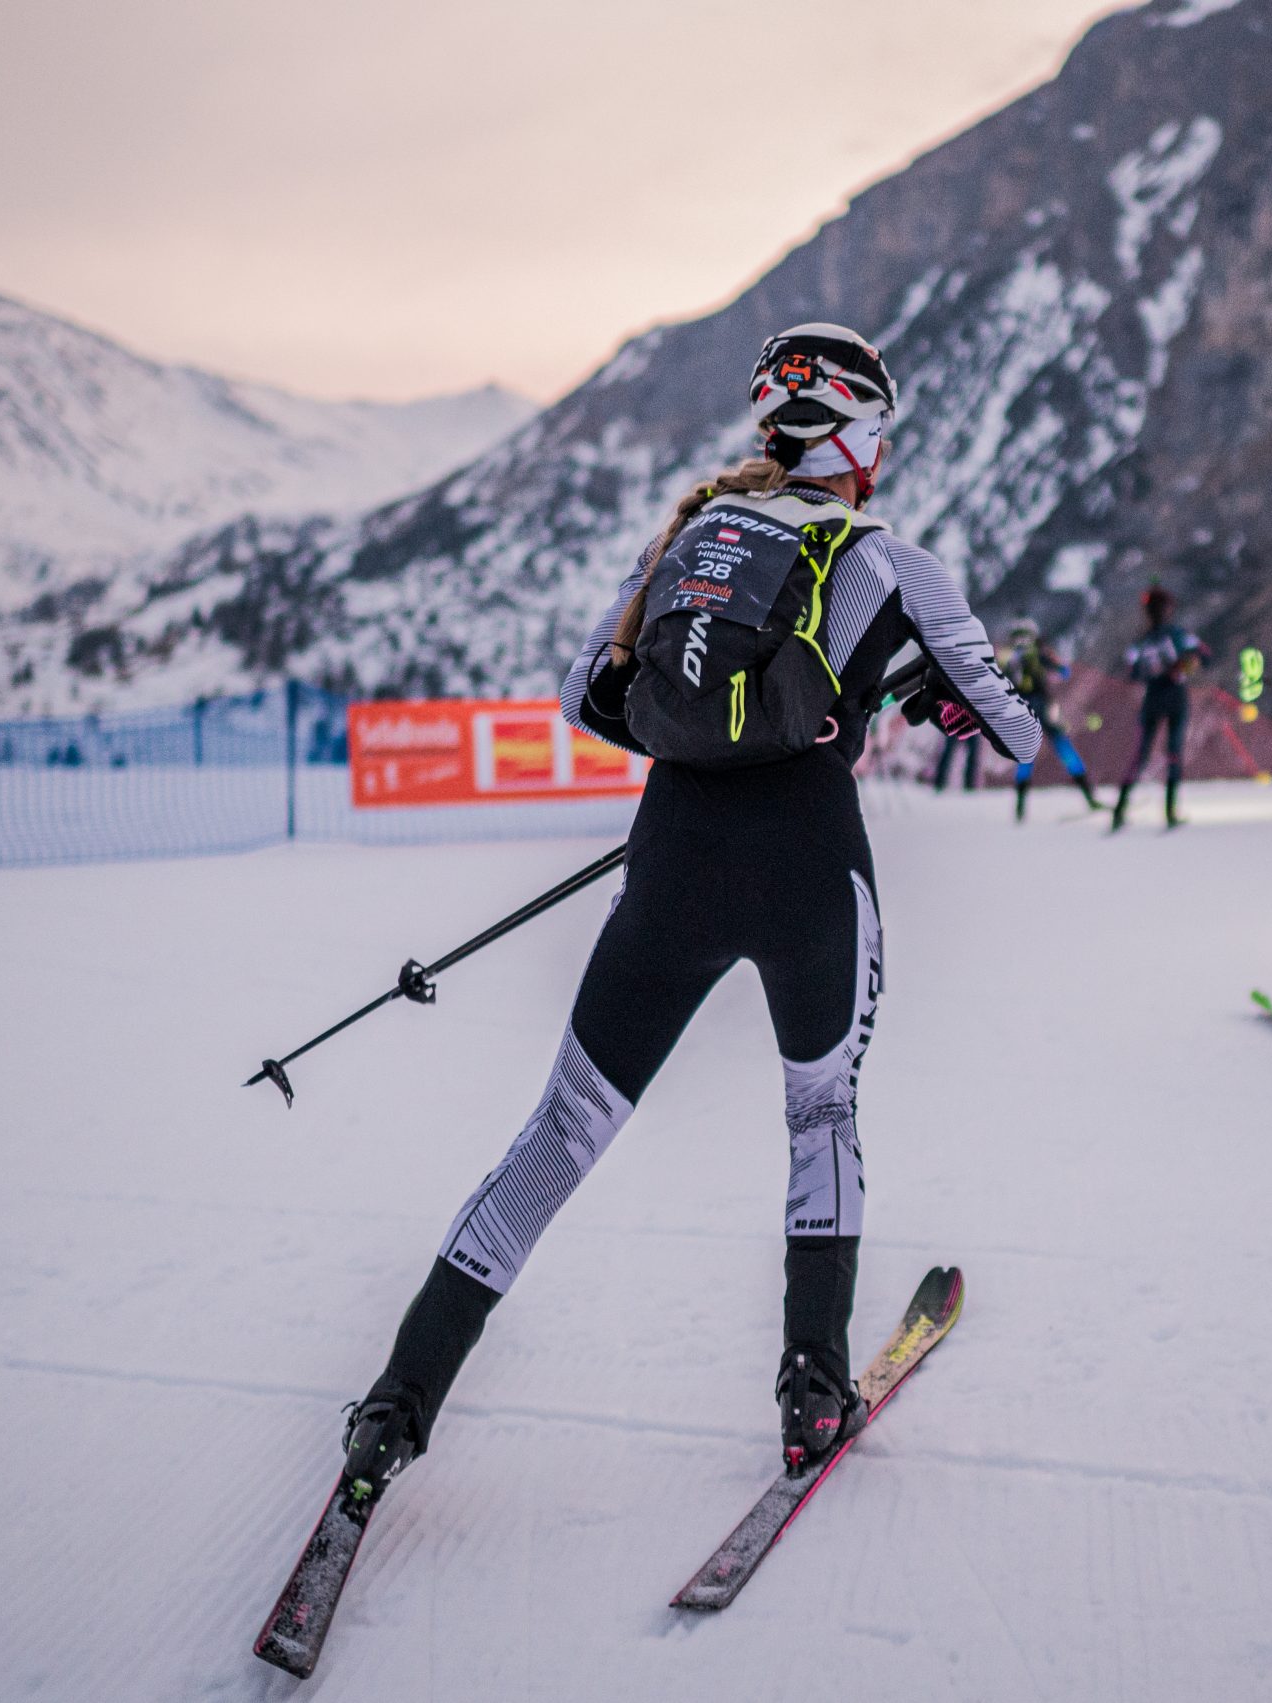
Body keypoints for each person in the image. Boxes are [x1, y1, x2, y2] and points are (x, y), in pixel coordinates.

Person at [335, 324, 1040, 1501]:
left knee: (561, 1130)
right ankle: (813, 1391)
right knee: (821, 1113)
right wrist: (917, 691)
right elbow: (1016, 731)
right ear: (862, 437)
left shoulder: (691, 533)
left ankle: (395, 1404)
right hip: (811, 857)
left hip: (673, 853)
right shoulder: (889, 560)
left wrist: (711, 733)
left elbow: (587, 697)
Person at [1110, 586, 1211, 831]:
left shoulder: (1140, 641)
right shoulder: (1177, 634)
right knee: (1174, 753)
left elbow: (1132, 672)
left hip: (1152, 698)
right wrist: (1185, 666)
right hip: (1175, 697)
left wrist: (1154, 672)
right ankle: (1170, 812)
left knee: (1140, 755)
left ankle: (1119, 810)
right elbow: (1204, 654)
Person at [998, 615, 1101, 820]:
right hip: (1042, 705)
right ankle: (1088, 796)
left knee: (1026, 756)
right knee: (1064, 747)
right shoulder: (1036, 652)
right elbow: (1064, 671)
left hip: (1020, 709)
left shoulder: (1007, 656)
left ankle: (1020, 807)